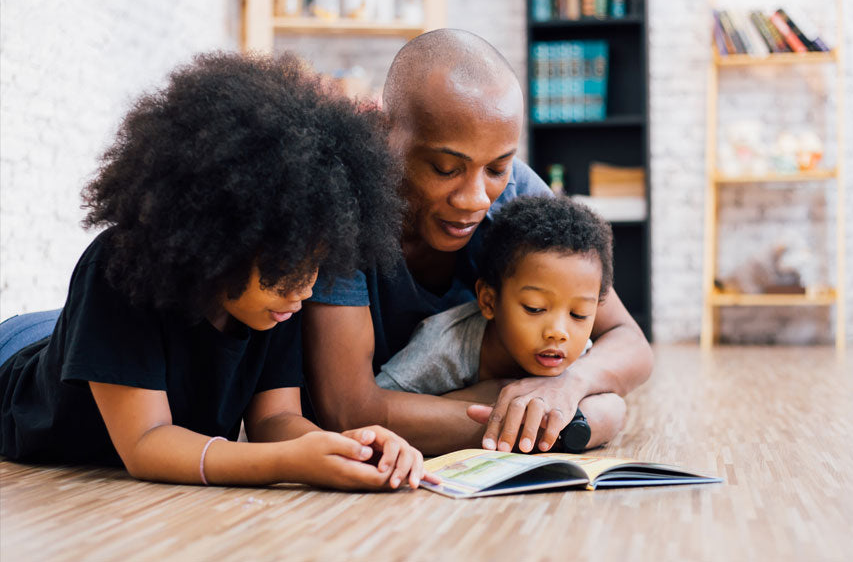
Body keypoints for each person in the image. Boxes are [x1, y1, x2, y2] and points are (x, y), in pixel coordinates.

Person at [0, 52, 435, 491]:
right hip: (14, 355)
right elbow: (146, 443)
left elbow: (275, 418)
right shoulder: (118, 266)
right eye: (287, 266)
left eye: (317, 265)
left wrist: (349, 450)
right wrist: (288, 463)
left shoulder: (277, 300)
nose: (304, 289)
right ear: (219, 236)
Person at [302, 29, 653, 455]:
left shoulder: (517, 191)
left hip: (428, 423)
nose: (476, 199)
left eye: (497, 167)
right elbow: (348, 410)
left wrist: (568, 385)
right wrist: (537, 419)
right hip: (381, 434)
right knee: (606, 413)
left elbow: (628, 340)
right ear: (384, 134)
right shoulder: (342, 209)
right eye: (446, 168)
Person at [375, 196, 626, 451]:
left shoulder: (575, 354)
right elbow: (375, 406)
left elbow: (614, 409)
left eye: (579, 314)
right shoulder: (443, 346)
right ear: (489, 301)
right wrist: (489, 394)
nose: (558, 333)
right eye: (535, 308)